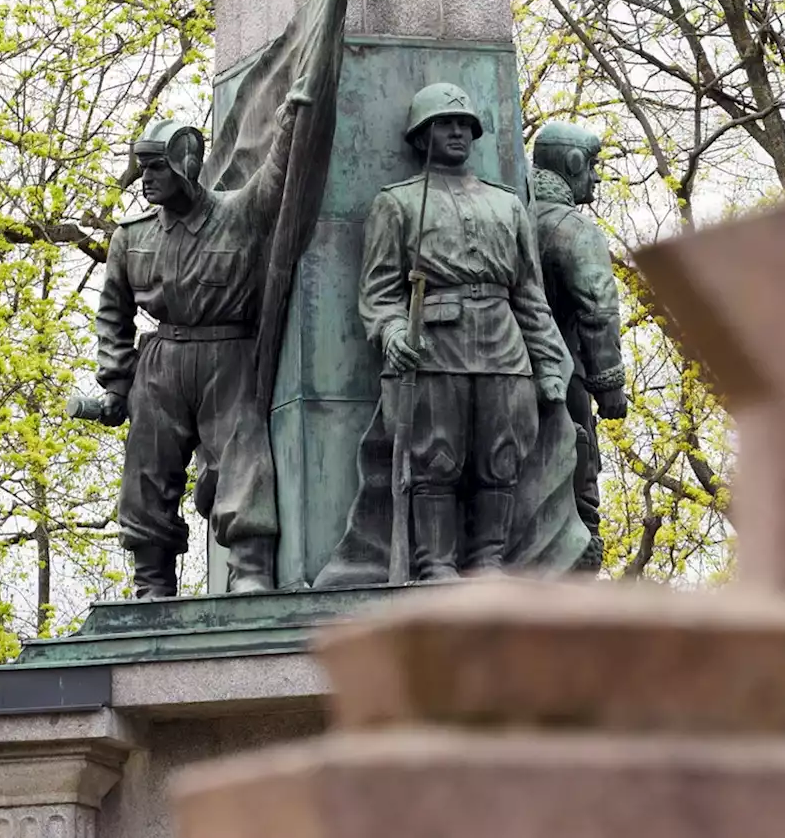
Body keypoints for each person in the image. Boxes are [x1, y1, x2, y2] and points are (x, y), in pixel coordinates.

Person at [95, 93, 307, 598]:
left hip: (228, 354)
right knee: (147, 471)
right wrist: (116, 381)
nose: (144, 178)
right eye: (141, 168)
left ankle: (250, 567)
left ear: (184, 165)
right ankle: (151, 582)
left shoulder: (237, 214)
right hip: (162, 362)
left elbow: (277, 180)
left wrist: (290, 123)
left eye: (155, 168)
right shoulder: (130, 238)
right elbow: (113, 313)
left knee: (243, 456)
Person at [359, 82, 572, 579]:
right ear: (420, 135)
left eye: (463, 125)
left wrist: (548, 364)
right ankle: (435, 563)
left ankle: (489, 560)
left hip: (503, 345)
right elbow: (379, 292)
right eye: (443, 124)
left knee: (501, 458)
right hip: (435, 345)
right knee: (436, 457)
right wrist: (392, 334)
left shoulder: (507, 205)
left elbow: (529, 294)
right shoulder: (397, 204)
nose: (456, 131)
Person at [531, 123, 628, 572]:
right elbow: (598, 311)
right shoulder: (573, 229)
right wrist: (609, 387)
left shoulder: (512, 214)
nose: (596, 177)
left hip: (507, 373)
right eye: (592, 167)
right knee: (579, 494)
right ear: (572, 165)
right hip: (563, 376)